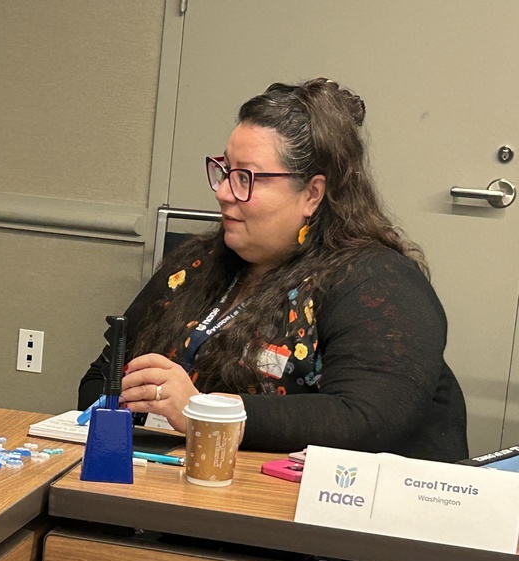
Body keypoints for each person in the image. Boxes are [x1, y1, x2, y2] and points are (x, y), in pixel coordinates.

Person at [79, 78, 467, 463]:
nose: (224, 192)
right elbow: (101, 378)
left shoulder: (375, 282)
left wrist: (203, 412)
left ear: (312, 194)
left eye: (246, 177)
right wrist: (150, 407)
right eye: (225, 170)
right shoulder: (194, 264)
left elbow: (365, 420)